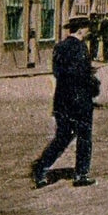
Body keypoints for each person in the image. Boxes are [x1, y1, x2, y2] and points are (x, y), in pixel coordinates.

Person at [31, 17, 100, 188]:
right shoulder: (81, 48)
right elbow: (83, 75)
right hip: (80, 101)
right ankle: (81, 174)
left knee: (61, 138)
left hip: (62, 100)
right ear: (80, 30)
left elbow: (57, 73)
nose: (88, 32)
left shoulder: (59, 47)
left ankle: (40, 170)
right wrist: (94, 86)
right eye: (87, 28)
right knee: (84, 137)